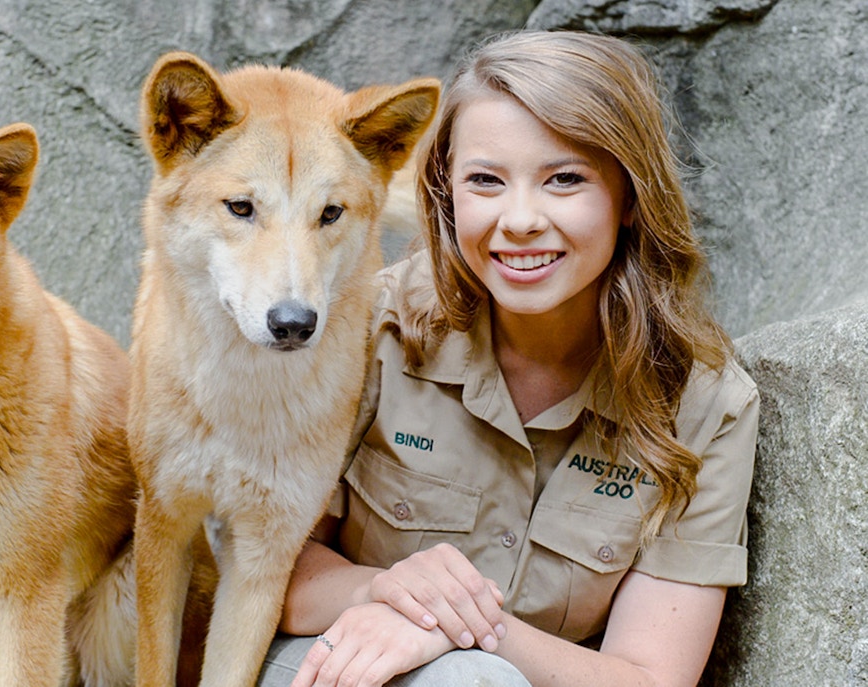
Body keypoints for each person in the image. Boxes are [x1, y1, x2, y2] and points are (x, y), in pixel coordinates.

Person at [257, 30, 759, 687]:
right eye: (486, 180)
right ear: (447, 191)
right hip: (327, 658)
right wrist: (382, 591)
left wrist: (456, 621)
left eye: (565, 179)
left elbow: (650, 676)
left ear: (631, 197)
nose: (519, 219)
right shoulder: (364, 327)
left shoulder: (706, 404)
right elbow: (262, 568)